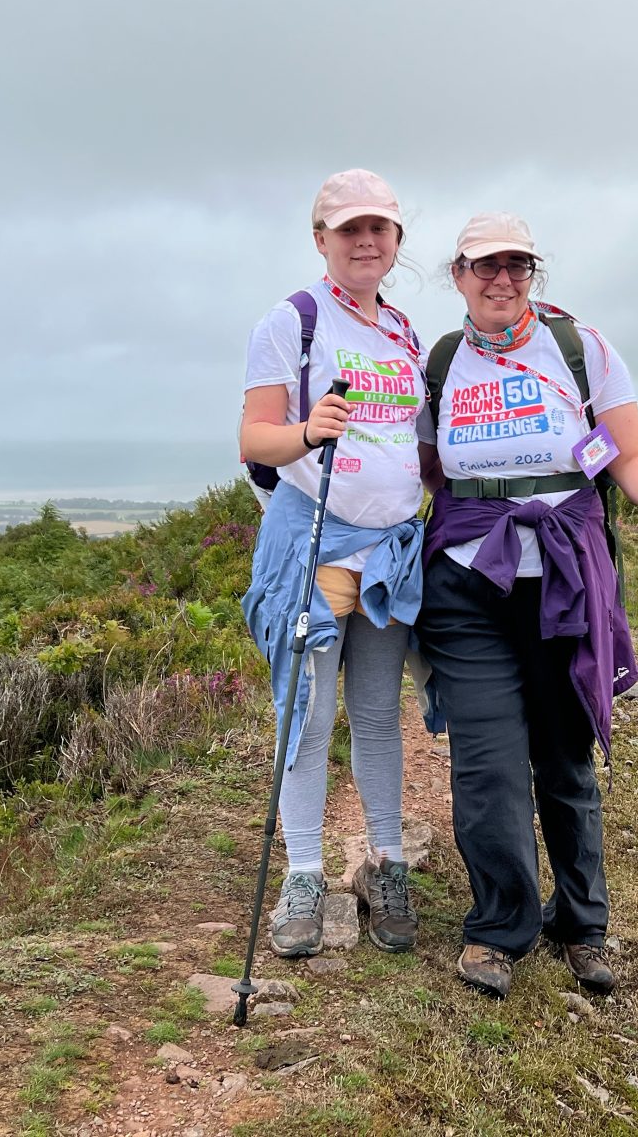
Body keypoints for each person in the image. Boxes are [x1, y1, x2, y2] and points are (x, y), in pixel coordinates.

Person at [414, 212, 638, 999]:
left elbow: (631, 456)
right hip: (468, 584)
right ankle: (499, 927)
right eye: (486, 266)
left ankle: (583, 923)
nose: (502, 279)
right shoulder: (438, 363)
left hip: (565, 580)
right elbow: (421, 469)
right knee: (487, 764)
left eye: (518, 265)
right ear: (459, 276)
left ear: (532, 275)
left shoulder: (581, 351)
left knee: (564, 754)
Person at [240, 169, 429, 959]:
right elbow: (256, 440)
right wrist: (310, 429)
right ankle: (306, 875)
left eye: (378, 229)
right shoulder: (294, 322)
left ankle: (384, 863)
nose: (364, 241)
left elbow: (417, 441)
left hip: (389, 549)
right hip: (317, 545)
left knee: (380, 714)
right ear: (322, 240)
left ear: (395, 243)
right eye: (348, 229)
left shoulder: (406, 331)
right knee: (310, 716)